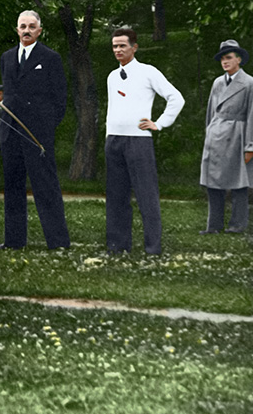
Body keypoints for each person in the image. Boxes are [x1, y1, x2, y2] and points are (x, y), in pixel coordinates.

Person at [104, 27, 184, 255]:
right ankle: (117, 246)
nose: (118, 50)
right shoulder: (111, 76)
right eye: (115, 46)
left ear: (134, 47)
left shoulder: (148, 72)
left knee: (146, 195)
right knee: (116, 197)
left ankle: (152, 247)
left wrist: (159, 123)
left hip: (138, 142)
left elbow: (176, 98)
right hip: (114, 142)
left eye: (122, 45)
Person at [0, 10, 71, 250]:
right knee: (13, 187)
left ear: (39, 30)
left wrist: (46, 126)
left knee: (45, 186)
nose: (26, 31)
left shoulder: (50, 58)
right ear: (16, 29)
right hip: (11, 132)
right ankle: (13, 241)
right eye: (22, 26)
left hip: (37, 134)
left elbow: (60, 100)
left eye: (31, 26)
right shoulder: (7, 57)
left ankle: (58, 242)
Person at [199, 39, 252, 234]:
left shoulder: (249, 83)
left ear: (239, 59)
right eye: (222, 58)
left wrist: (250, 145)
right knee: (213, 182)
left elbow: (252, 115)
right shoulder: (218, 83)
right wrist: (209, 134)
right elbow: (211, 113)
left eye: (229, 57)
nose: (225, 61)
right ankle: (214, 226)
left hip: (237, 135)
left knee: (239, 182)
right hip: (216, 135)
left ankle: (238, 225)